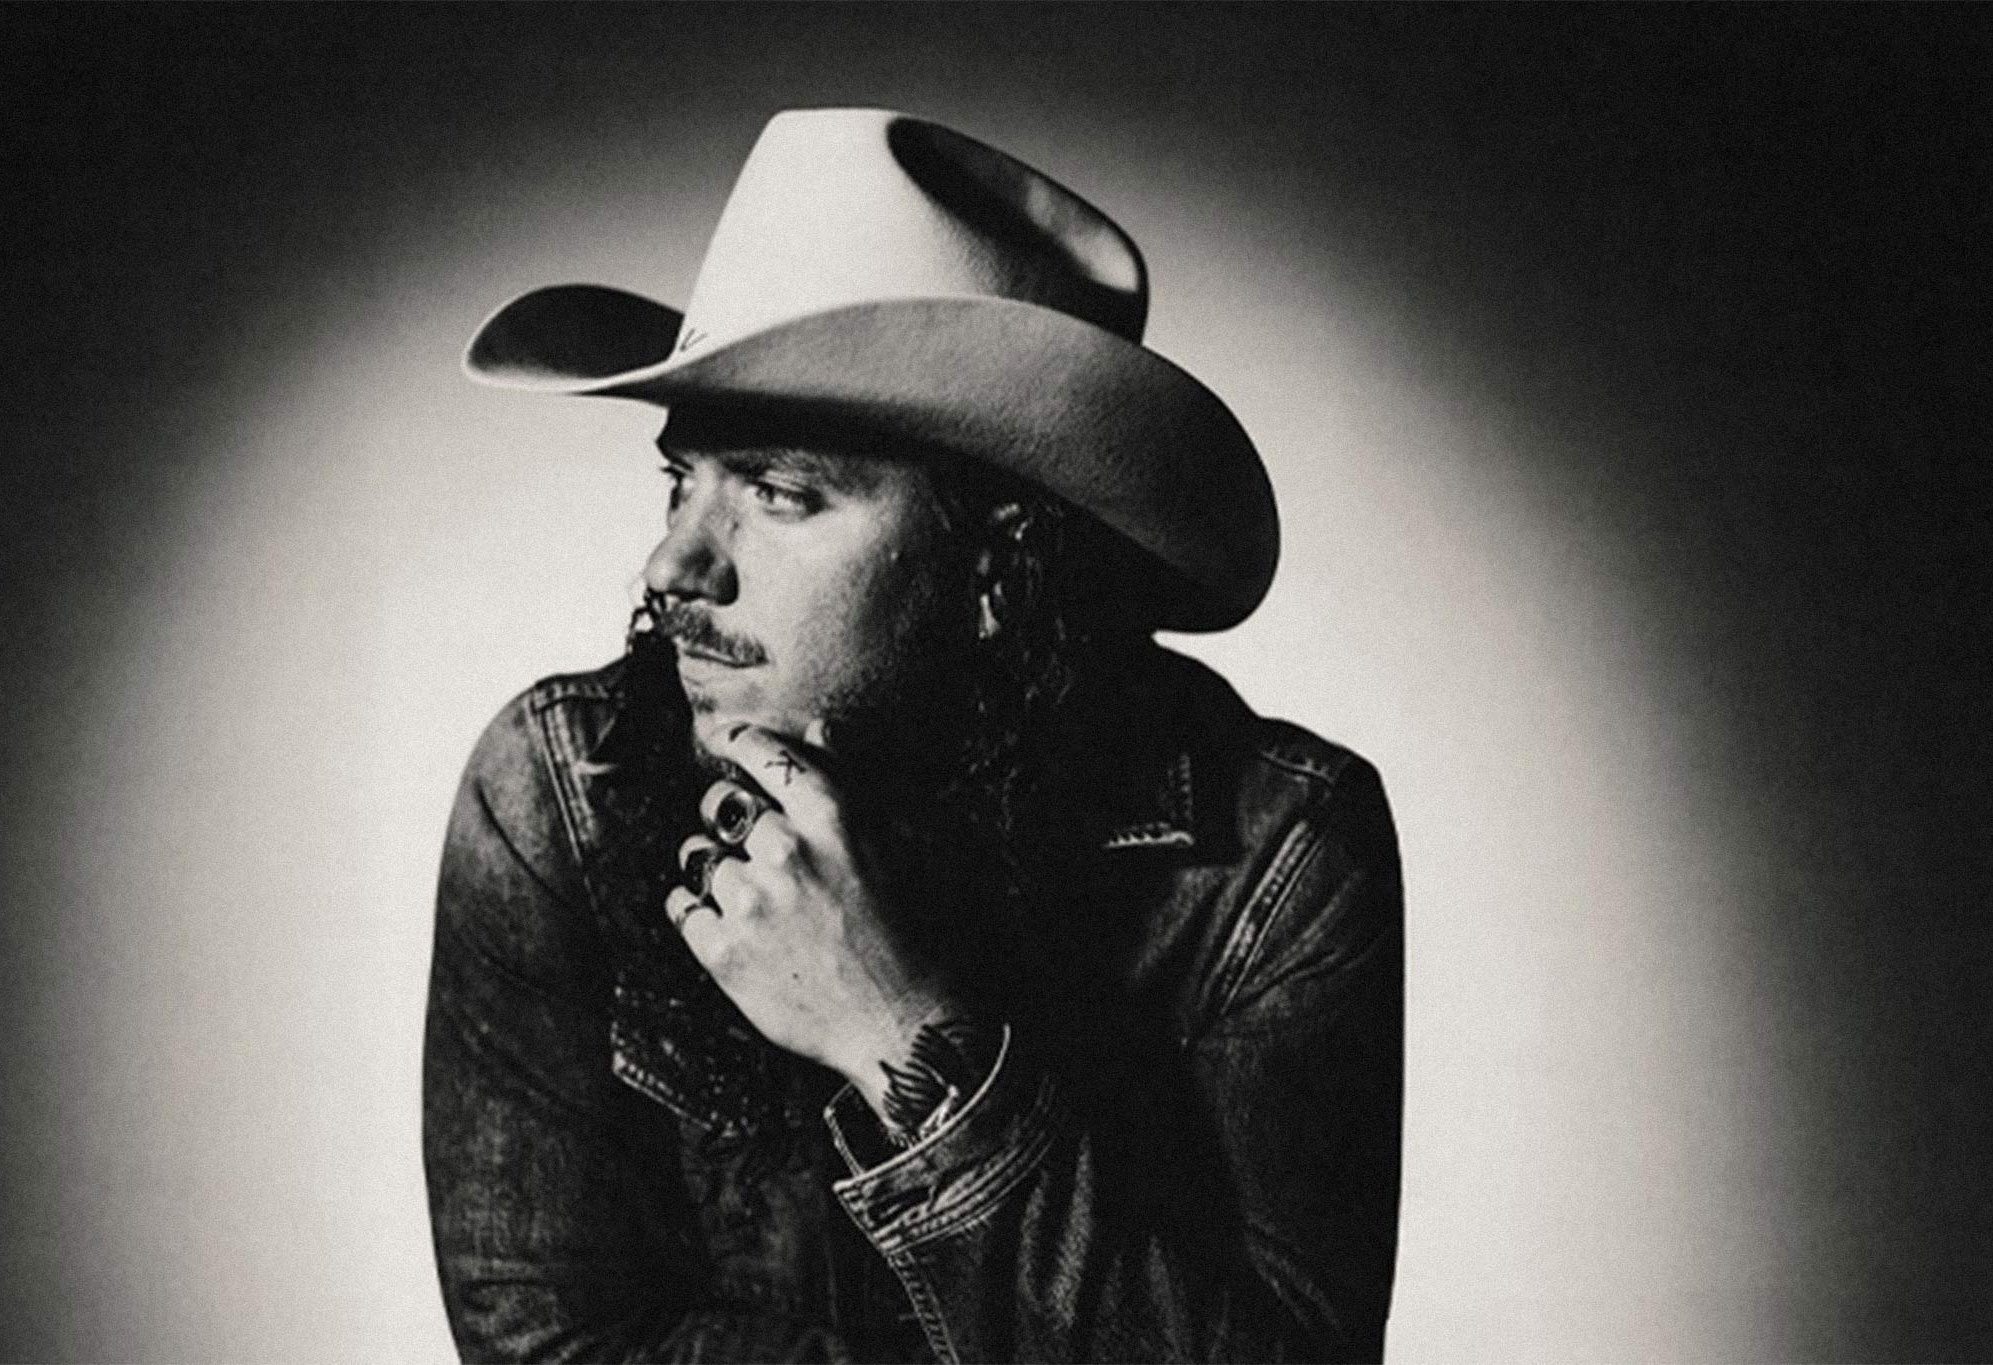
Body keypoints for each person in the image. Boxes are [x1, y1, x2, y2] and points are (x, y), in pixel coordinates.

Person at [424, 108, 1402, 1364]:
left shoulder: (1275, 860)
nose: (672, 565)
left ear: (993, 571)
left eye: (777, 492)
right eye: (681, 482)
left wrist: (902, 1037)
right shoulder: (559, 792)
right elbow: (549, 1347)